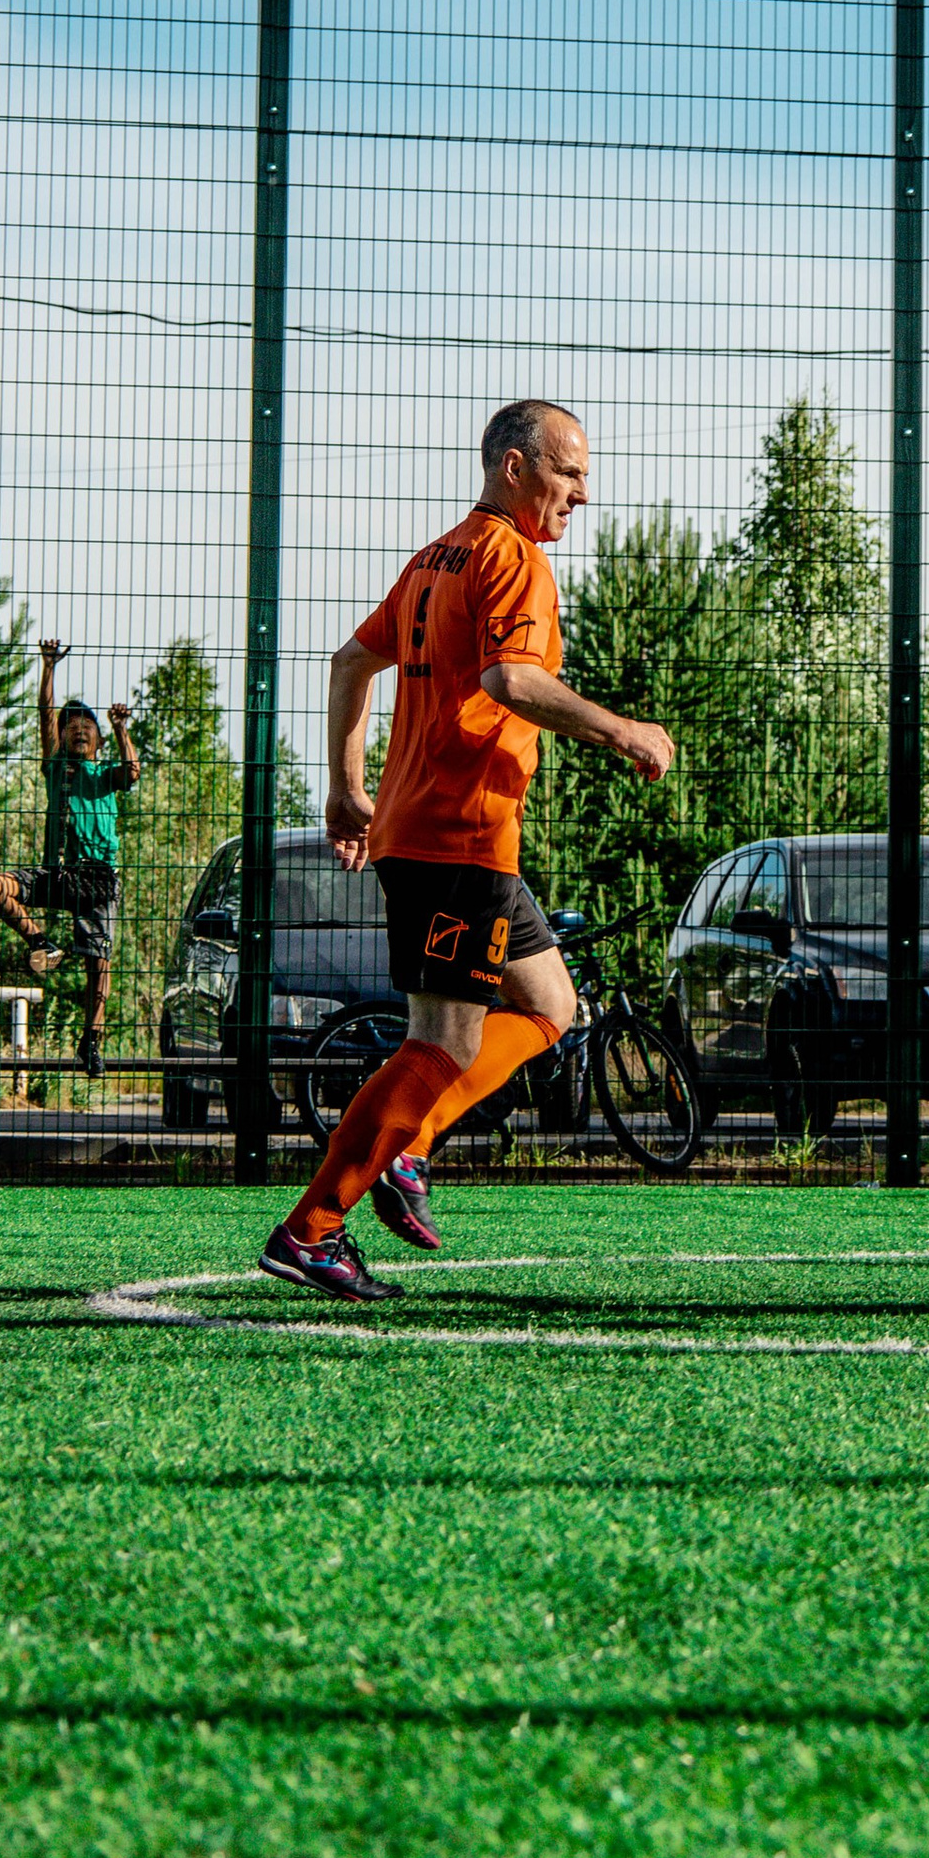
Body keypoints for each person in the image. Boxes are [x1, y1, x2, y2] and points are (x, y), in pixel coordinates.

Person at [261, 401, 675, 1301]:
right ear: (515, 467)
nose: (582, 493)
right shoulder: (512, 557)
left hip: (438, 829)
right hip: (459, 833)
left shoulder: (432, 557)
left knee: (550, 1004)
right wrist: (622, 731)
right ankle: (313, 1226)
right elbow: (512, 680)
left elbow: (346, 664)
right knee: (443, 1040)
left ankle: (406, 1145)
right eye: (568, 472)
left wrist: (345, 786)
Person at [0, 643, 140, 1081]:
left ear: (98, 738)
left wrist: (122, 728)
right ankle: (41, 944)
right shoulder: (55, 766)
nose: (77, 728)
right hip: (57, 873)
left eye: (86, 723)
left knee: (99, 960)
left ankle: (91, 1040)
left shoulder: (106, 772)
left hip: (97, 878)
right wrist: (48, 667)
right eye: (70, 723)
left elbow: (132, 772)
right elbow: (44, 711)